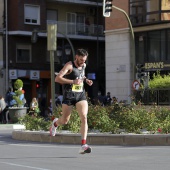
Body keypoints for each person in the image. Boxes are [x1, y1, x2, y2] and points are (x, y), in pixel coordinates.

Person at [50, 49, 93, 154]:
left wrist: (86, 80)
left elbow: (81, 75)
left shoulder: (84, 65)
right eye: (81, 60)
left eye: (84, 60)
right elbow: (57, 78)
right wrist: (73, 81)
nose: (83, 62)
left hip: (80, 95)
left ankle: (83, 144)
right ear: (76, 57)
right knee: (64, 121)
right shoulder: (69, 65)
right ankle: (55, 124)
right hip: (69, 96)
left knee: (84, 117)